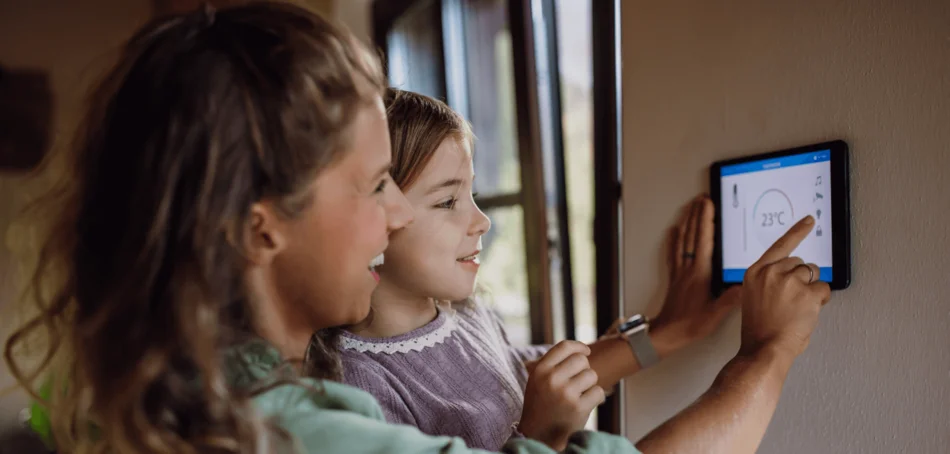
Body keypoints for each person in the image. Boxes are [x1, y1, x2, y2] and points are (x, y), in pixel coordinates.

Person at [2, 3, 831, 454]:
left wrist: (669, 331)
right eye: (376, 187)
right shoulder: (317, 416)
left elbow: (534, 368)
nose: (395, 211)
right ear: (259, 228)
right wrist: (768, 354)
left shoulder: (181, 383)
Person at [338, 89, 741, 450]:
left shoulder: (466, 314)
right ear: (376, 216)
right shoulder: (359, 385)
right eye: (447, 201)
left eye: (472, 195)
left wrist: (669, 332)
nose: (482, 221)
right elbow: (537, 409)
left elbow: (523, 379)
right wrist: (540, 438)